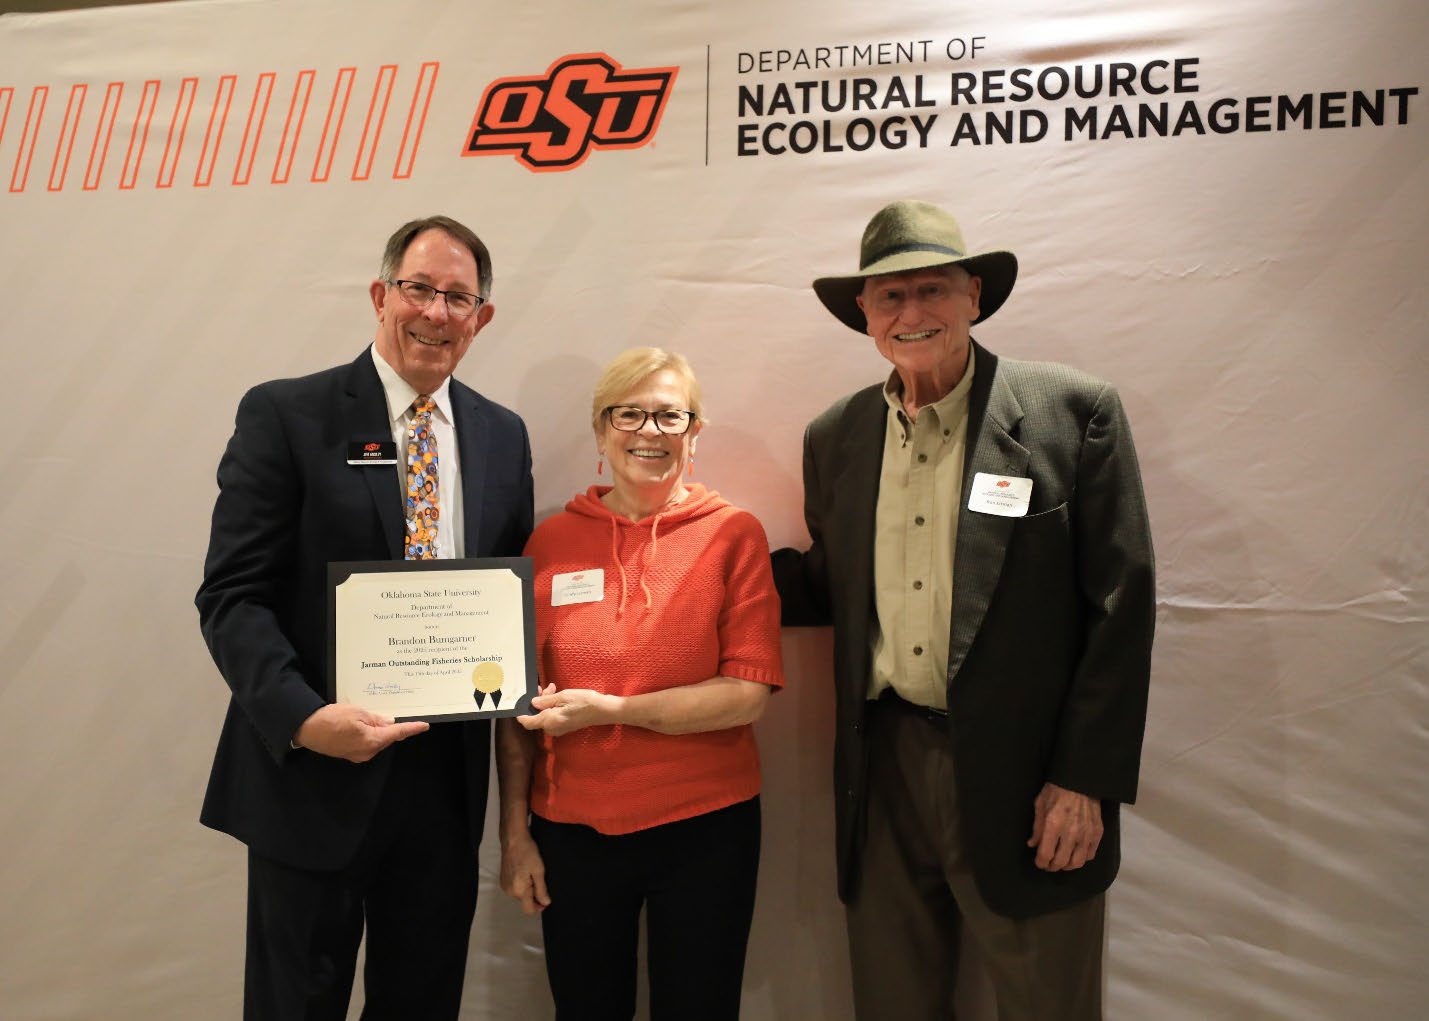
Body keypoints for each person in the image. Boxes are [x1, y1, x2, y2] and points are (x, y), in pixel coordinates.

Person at [772, 200, 1155, 1021]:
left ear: (973, 295)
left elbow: (1120, 606)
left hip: (1030, 779)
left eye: (931, 290)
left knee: (1045, 1003)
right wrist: (701, 569)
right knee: (892, 1003)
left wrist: (1082, 780)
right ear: (865, 315)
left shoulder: (1071, 412)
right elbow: (831, 581)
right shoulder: (833, 436)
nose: (911, 314)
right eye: (890, 297)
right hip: (881, 770)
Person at [195, 215, 533, 1020]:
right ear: (381, 296)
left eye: (459, 297)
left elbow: (503, 596)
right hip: (313, 775)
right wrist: (304, 718)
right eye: (419, 289)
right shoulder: (287, 414)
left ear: (481, 317)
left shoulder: (500, 434)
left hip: (442, 790)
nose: (437, 313)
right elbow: (232, 594)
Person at [497, 348, 784, 1021]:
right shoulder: (548, 542)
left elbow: (745, 694)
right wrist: (515, 833)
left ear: (694, 433)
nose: (648, 432)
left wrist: (612, 710)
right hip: (571, 830)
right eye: (629, 414)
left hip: (706, 828)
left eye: (668, 416)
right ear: (600, 432)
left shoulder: (733, 535)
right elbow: (511, 710)